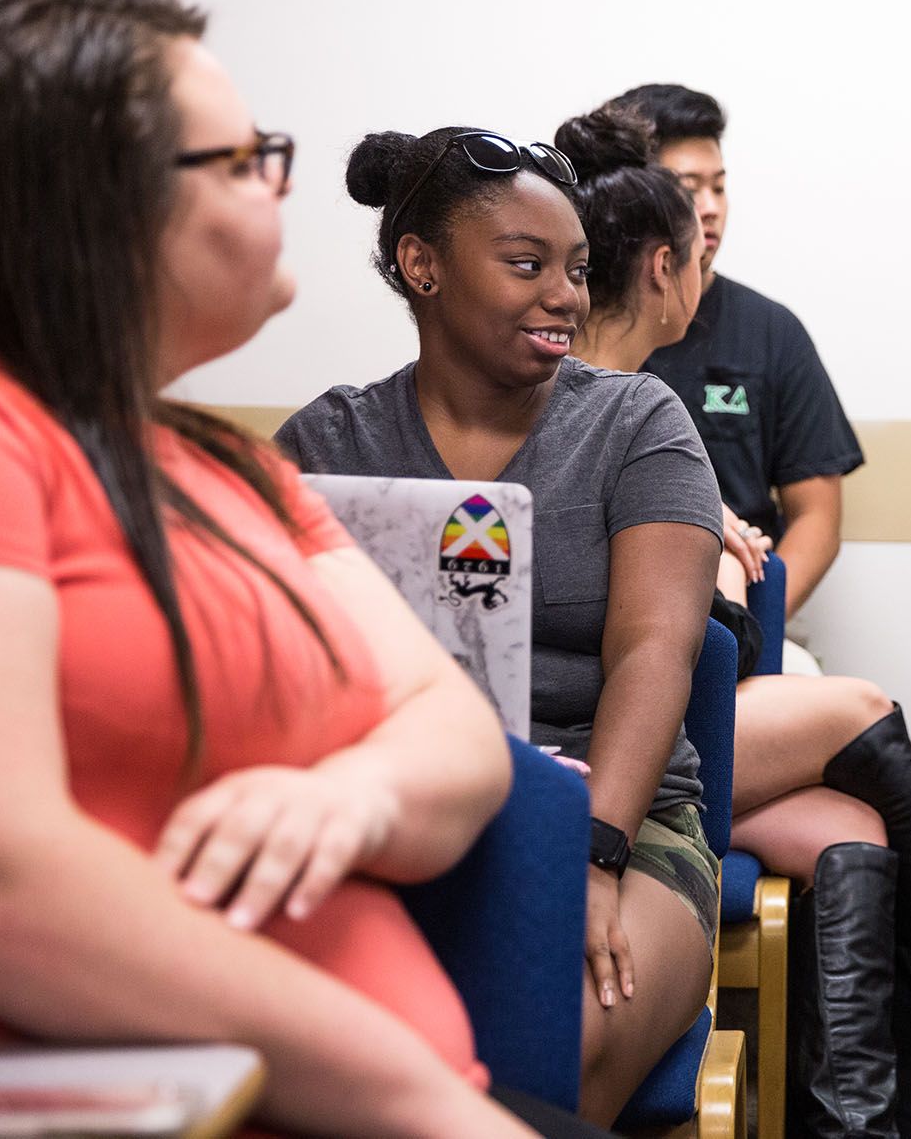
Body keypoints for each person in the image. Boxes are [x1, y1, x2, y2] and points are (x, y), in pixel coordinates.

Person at [0, 0, 583, 1136]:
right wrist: (416, 1098)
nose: (285, 182)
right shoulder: (4, 437)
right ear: (103, 204)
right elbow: (5, 888)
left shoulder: (232, 472)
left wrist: (350, 794)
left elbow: (455, 728)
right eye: (248, 157)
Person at [553, 109, 911, 1139]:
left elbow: (789, 520)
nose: (712, 228)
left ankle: (857, 1115)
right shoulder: (593, 402)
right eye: (694, 213)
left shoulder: (646, 393)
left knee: (853, 830)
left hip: (686, 712)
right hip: (619, 735)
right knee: (861, 709)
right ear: (659, 264)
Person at [273, 124, 721, 1127]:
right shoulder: (327, 441)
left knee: (551, 1042)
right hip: (393, 818)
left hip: (622, 819)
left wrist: (590, 856)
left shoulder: (636, 425)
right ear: (420, 265)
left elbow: (658, 649)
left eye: (575, 268)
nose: (564, 294)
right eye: (527, 265)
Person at [608, 83, 863, 620]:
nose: (709, 210)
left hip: (736, 606)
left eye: (719, 188)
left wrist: (753, 628)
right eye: (687, 188)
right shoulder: (581, 324)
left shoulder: (771, 331)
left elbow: (817, 516)